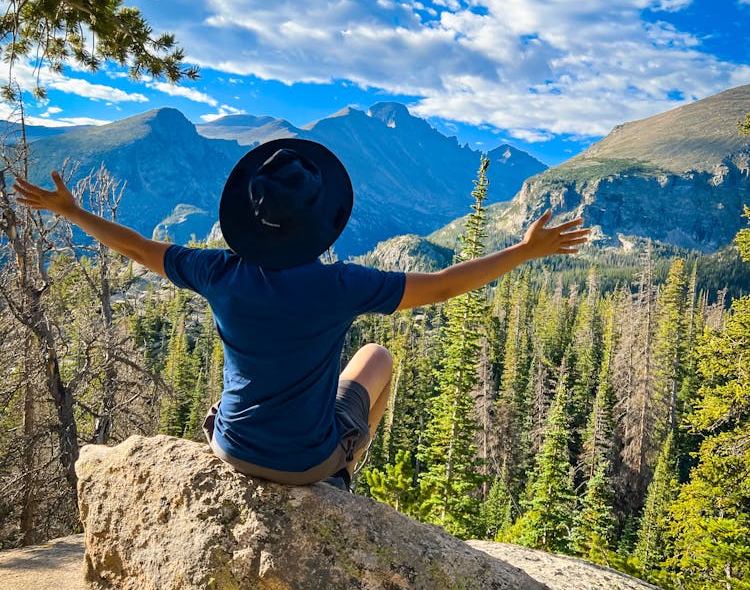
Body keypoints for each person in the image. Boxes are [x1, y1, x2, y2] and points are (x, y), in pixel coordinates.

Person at [13, 137, 590, 491]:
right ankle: (345, 467)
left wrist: (72, 211)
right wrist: (525, 249)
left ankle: (325, 459)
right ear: (318, 222)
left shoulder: (219, 272)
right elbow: (440, 286)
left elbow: (138, 246)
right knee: (377, 357)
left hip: (231, 447)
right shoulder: (338, 284)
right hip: (304, 464)